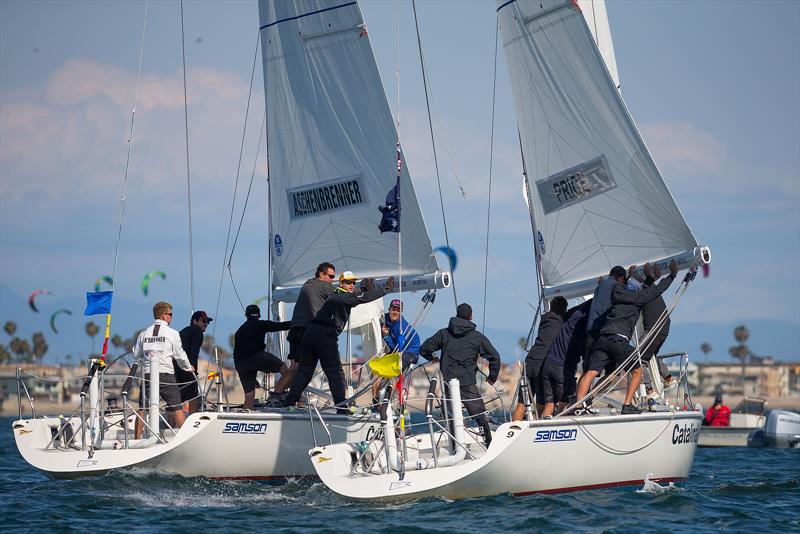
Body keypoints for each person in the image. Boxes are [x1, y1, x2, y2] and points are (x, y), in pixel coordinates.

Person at [575, 260, 679, 415]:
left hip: (603, 339)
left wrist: (642, 277)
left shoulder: (617, 295)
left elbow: (642, 289)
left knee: (591, 372)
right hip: (618, 340)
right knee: (637, 370)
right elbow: (655, 291)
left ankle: (578, 407)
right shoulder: (637, 299)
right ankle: (627, 405)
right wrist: (672, 275)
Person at [282, 272, 395, 413]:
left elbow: (357, 296)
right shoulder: (342, 296)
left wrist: (365, 288)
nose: (351, 285)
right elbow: (362, 298)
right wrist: (386, 289)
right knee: (335, 372)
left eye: (353, 282)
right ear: (341, 284)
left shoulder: (336, 295)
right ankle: (341, 408)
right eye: (348, 282)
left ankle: (288, 403)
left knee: (304, 372)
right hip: (324, 335)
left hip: (310, 334)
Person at [419, 303, 501, 447]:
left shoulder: (444, 334)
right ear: (471, 316)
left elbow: (424, 348)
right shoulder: (477, 337)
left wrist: (431, 358)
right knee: (479, 415)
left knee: (451, 418)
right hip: (467, 383)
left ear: (457, 315)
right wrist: (492, 377)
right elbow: (495, 357)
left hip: (448, 383)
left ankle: (455, 446)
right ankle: (489, 444)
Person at [134, 301, 194, 436]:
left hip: (148, 374)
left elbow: (135, 354)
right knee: (177, 407)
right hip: (166, 374)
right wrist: (188, 367)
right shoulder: (172, 333)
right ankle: (185, 438)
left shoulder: (144, 333)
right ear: (163, 316)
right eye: (170, 314)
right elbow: (180, 355)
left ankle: (135, 439)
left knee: (143, 408)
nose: (172, 317)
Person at [282, 262, 336, 401]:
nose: (332, 280)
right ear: (321, 274)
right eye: (330, 276)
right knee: (301, 368)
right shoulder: (323, 285)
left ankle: (287, 396)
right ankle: (278, 394)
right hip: (305, 331)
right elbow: (341, 295)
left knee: (295, 367)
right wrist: (365, 288)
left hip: (295, 330)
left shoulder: (308, 283)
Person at [511, 296, 568, 421]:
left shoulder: (545, 320)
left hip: (529, 361)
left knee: (522, 403)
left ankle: (513, 428)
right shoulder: (562, 322)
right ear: (564, 309)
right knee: (544, 403)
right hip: (541, 364)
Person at [233, 304, 291, 409]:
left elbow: (237, 351)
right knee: (284, 369)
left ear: (246, 315)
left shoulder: (239, 330)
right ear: (259, 315)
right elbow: (281, 326)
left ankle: (246, 415)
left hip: (240, 363)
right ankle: (276, 395)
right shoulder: (261, 324)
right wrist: (297, 323)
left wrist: (251, 376)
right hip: (256, 357)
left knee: (249, 395)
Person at [540, 300, 591, 417]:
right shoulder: (579, 334)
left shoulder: (567, 323)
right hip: (561, 370)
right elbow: (585, 357)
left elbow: (574, 310)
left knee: (549, 405)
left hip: (547, 365)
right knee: (564, 405)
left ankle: (542, 428)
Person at [371, 298, 421, 407]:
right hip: (396, 351)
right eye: (393, 309)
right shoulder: (386, 318)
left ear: (401, 311)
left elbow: (398, 349)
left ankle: (387, 403)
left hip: (409, 352)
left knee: (394, 369)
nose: (395, 312)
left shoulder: (401, 328)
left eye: (398, 310)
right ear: (389, 309)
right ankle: (375, 403)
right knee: (375, 369)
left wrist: (386, 336)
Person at [175, 310, 212, 414]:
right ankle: (193, 423)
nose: (206, 324)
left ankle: (172, 425)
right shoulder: (197, 332)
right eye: (203, 321)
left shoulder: (184, 331)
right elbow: (194, 353)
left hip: (176, 368)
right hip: (187, 368)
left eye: (207, 322)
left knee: (176, 399)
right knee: (193, 397)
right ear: (194, 321)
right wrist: (194, 371)